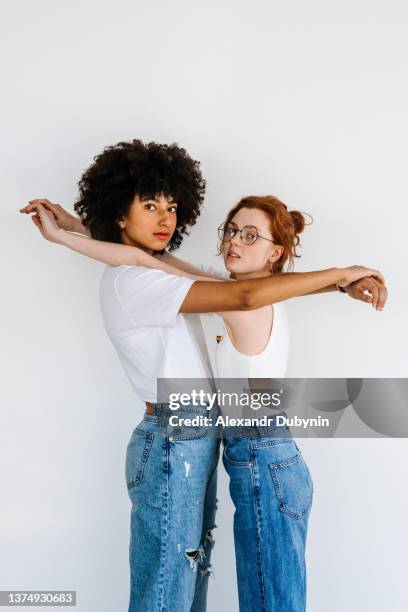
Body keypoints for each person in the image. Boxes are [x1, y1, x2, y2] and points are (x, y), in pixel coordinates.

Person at [21, 141, 387, 612]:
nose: (165, 218)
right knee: (170, 591)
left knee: (197, 587)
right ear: (120, 212)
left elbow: (230, 285)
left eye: (171, 207)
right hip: (183, 437)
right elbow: (179, 274)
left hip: (221, 439)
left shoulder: (212, 286)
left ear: (275, 253)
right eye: (149, 205)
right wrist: (340, 275)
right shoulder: (140, 282)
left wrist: (339, 283)